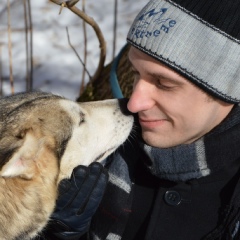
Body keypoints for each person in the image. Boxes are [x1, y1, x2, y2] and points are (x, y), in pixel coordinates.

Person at [42, 0, 240, 239]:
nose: (133, 103)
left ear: (229, 90)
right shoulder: (103, 145)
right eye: (136, 73)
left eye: (164, 84)